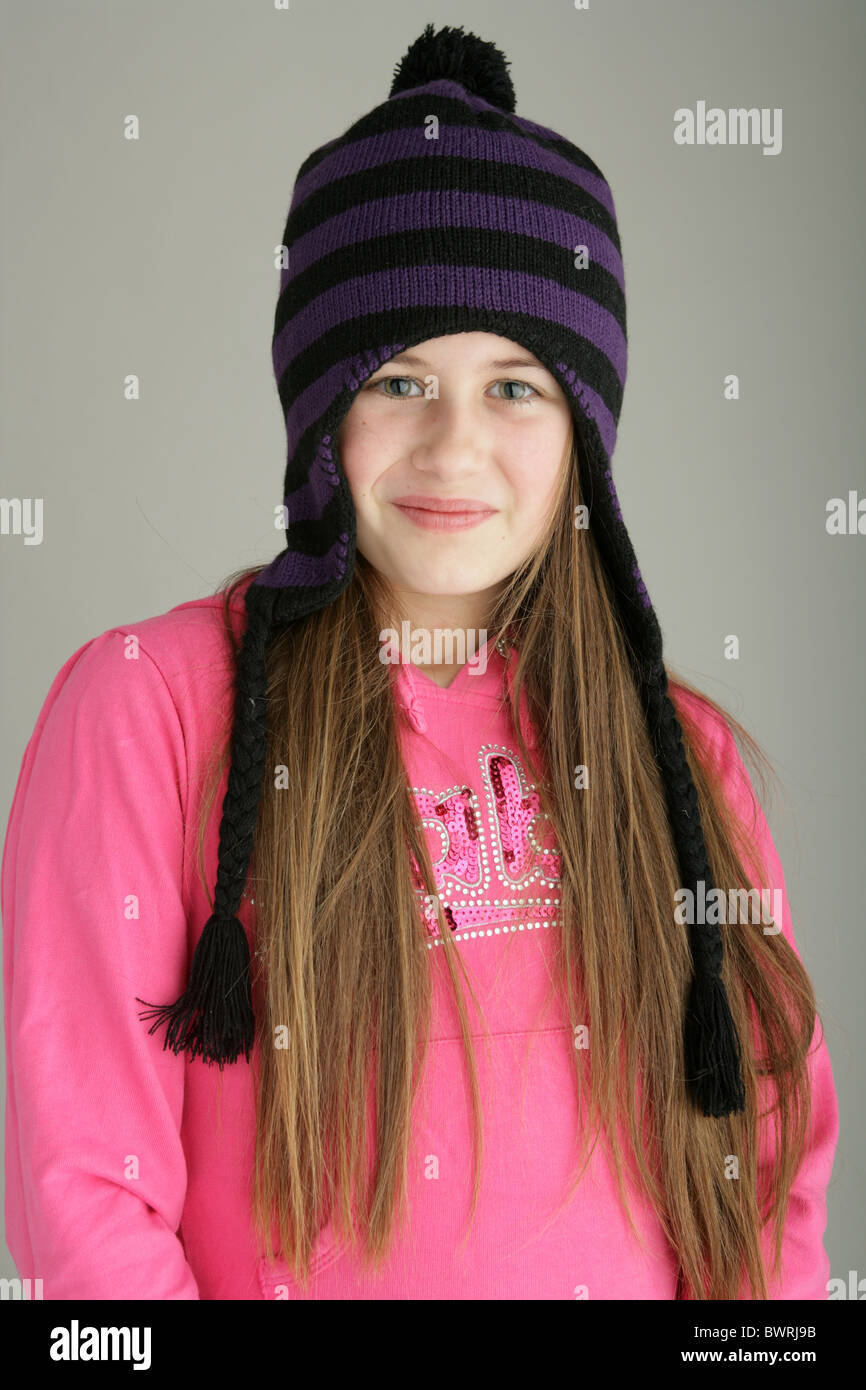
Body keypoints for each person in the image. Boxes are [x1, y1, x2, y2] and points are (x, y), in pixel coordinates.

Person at [2, 23, 837, 1301]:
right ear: (318, 410)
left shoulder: (679, 757)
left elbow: (769, 1179)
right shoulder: (148, 708)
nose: (453, 446)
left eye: (514, 387)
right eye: (397, 380)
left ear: (584, 434)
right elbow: (87, 1204)